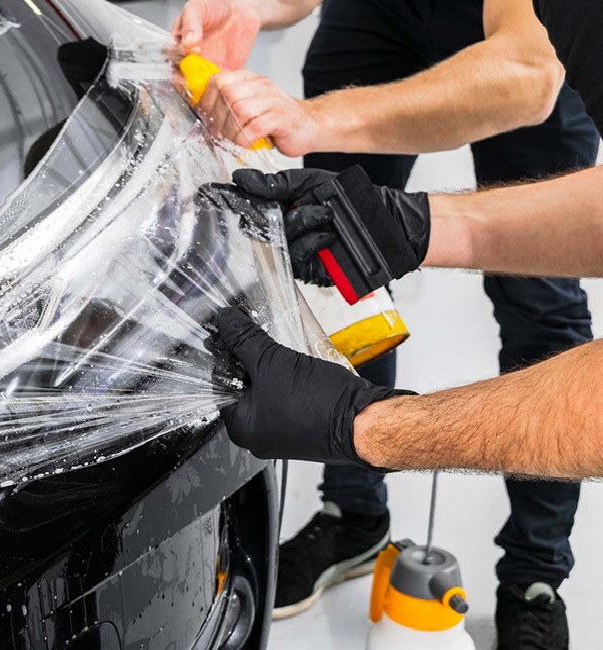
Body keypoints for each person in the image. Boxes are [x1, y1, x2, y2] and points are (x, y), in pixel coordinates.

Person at [172, 0, 598, 643]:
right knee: (335, 253)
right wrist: (416, 225)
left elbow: (526, 75)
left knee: (539, 303)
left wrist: (368, 426)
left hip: (523, 38)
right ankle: (354, 514)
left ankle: (534, 576)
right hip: (380, 15)